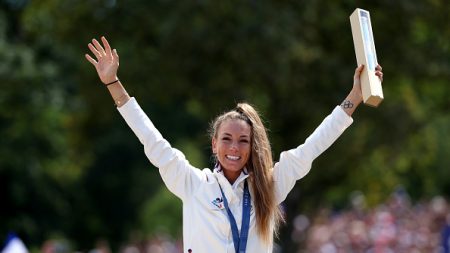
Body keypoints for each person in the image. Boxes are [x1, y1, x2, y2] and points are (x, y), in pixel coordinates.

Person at [85, 36, 383, 253]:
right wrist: (114, 84)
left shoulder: (268, 186)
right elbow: (151, 140)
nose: (234, 147)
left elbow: (313, 146)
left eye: (243, 141)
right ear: (214, 145)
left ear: (252, 147)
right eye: (226, 139)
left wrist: (353, 99)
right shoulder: (193, 184)